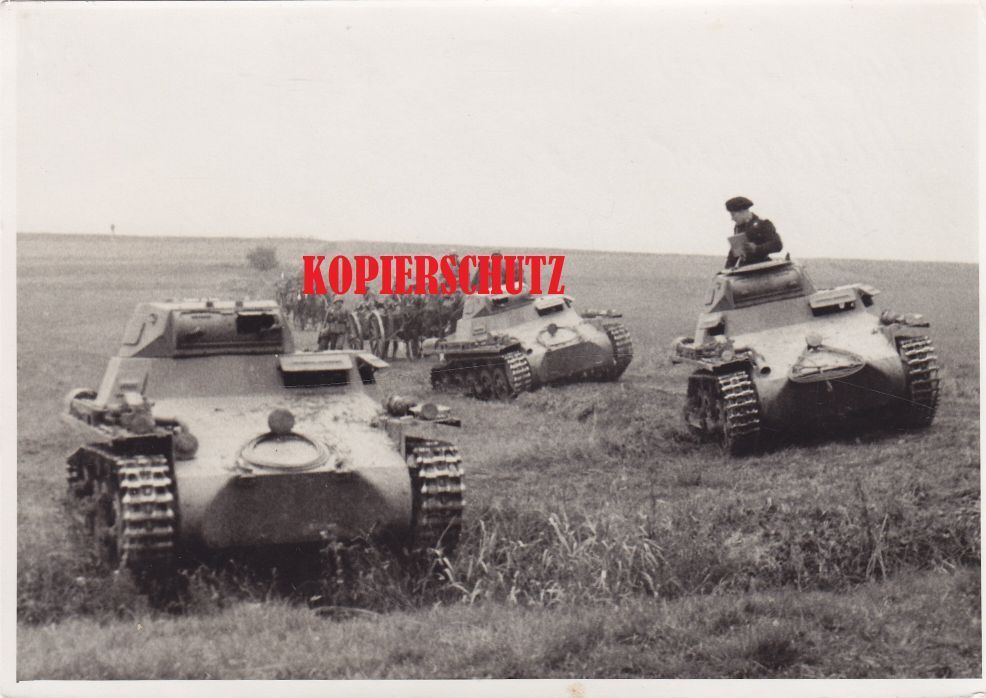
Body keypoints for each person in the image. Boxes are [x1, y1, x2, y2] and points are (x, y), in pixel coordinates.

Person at [724, 196, 783, 268]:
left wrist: (756, 248)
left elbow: (777, 245)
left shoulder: (763, 224)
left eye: (733, 215)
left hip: (762, 266)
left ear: (742, 212)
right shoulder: (738, 228)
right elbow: (735, 251)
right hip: (745, 267)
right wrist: (727, 268)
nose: (732, 218)